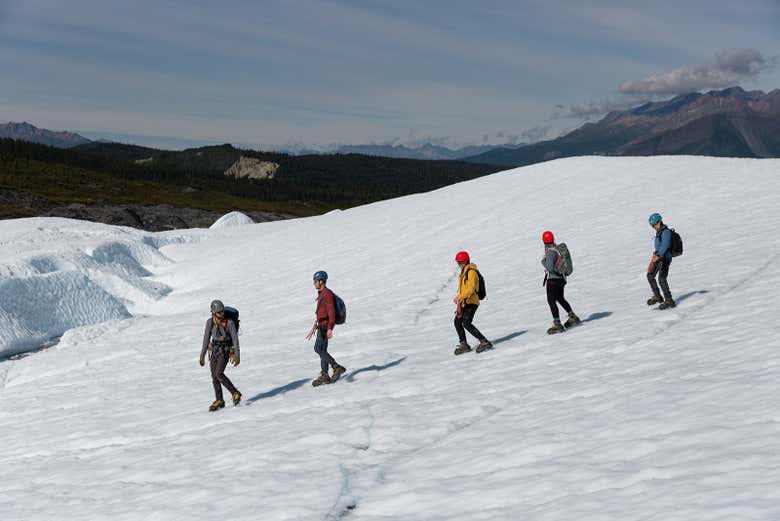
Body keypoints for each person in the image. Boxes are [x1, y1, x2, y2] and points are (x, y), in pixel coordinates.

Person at [199, 300, 241, 411]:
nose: (221, 313)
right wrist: (202, 355)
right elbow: (206, 339)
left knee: (219, 373)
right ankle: (219, 400)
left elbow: (235, 339)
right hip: (214, 350)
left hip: (225, 350)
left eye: (222, 311)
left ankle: (235, 393)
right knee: (214, 376)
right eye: (219, 312)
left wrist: (237, 355)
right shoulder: (210, 322)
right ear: (213, 312)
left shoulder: (229, 322)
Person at [306, 271, 346, 385]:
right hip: (321, 325)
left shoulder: (327, 294)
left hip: (325, 326)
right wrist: (316, 323)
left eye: (315, 281)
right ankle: (325, 374)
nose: (314, 283)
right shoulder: (322, 293)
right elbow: (322, 311)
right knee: (322, 350)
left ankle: (336, 366)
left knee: (318, 349)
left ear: (321, 281)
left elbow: (331, 312)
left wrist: (330, 328)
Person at [453, 251, 492, 355]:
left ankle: (484, 341)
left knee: (466, 323)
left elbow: (471, 289)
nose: (459, 264)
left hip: (472, 302)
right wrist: (460, 301)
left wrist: (459, 297)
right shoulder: (464, 272)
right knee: (457, 322)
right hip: (464, 302)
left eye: (461, 262)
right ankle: (464, 344)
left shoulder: (471, 272)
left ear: (466, 261)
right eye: (458, 262)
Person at [541, 231, 580, 334]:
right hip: (561, 279)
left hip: (553, 280)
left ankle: (557, 323)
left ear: (544, 241)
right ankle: (572, 316)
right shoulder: (557, 249)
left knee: (551, 300)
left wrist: (543, 262)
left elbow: (549, 268)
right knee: (560, 298)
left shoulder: (550, 252)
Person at [646, 213, 675, 309]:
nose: (654, 226)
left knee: (662, 279)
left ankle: (669, 300)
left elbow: (665, 245)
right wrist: (654, 257)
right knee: (650, 275)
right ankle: (658, 296)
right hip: (658, 258)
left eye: (655, 224)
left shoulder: (666, 232)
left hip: (665, 258)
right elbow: (658, 247)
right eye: (652, 225)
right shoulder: (658, 233)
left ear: (659, 222)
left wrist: (658, 255)